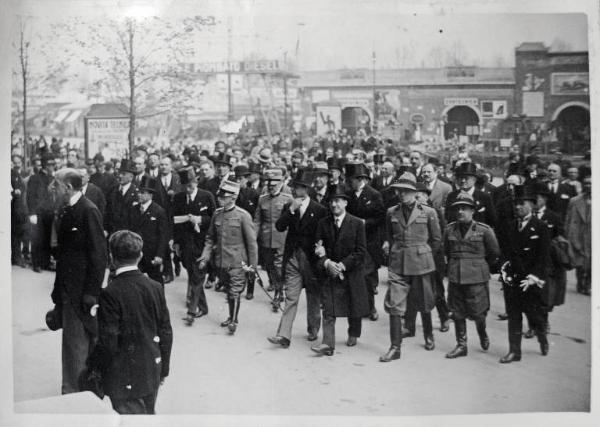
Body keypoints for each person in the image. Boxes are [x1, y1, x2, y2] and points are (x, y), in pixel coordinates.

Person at [85, 230, 172, 414]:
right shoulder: (156, 287)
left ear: (111, 257)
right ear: (140, 256)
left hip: (123, 376)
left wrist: (93, 366)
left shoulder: (110, 292)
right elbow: (166, 332)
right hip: (151, 371)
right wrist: (163, 369)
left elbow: (109, 341)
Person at [49, 168, 107, 393]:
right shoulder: (66, 210)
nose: (53, 188)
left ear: (68, 187)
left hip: (81, 292)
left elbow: (98, 255)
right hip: (68, 290)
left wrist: (91, 292)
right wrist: (57, 293)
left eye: (56, 184)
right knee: (75, 344)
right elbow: (64, 257)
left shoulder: (88, 210)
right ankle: (79, 389)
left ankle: (75, 393)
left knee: (78, 344)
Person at [380, 172, 441, 362]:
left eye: (406, 191)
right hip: (398, 263)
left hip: (422, 264)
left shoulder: (429, 212)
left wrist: (423, 252)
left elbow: (437, 240)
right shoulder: (391, 212)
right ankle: (395, 347)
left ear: (415, 193)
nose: (402, 194)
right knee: (394, 305)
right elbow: (390, 237)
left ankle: (428, 335)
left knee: (424, 302)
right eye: (399, 190)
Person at [267, 169, 328, 348]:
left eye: (300, 188)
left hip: (311, 260)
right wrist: (291, 210)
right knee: (291, 297)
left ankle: (313, 328)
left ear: (307, 189)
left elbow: (323, 234)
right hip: (293, 258)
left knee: (313, 297)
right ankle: (283, 335)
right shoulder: (289, 206)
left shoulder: (319, 209)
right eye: (294, 187)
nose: (295, 190)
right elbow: (279, 226)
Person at [311, 185, 369, 356]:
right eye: (331, 202)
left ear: (345, 202)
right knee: (328, 308)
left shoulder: (357, 223)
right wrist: (327, 262)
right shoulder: (323, 223)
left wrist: (343, 265)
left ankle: (353, 333)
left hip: (351, 271)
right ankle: (328, 344)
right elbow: (317, 248)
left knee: (354, 306)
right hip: (330, 272)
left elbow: (360, 251)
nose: (334, 205)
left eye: (337, 201)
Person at [443, 193, 500, 358]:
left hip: (476, 277)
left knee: (478, 311)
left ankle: (482, 333)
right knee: (456, 311)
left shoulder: (484, 230)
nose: (460, 211)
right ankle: (461, 345)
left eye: (465, 208)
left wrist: (480, 265)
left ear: (473, 211)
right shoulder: (449, 229)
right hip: (455, 275)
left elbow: (494, 252)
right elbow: (446, 250)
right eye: (458, 208)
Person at [499, 185, 551, 363]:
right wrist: (504, 271)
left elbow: (543, 258)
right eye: (516, 204)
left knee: (534, 316)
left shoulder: (541, 227)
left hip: (530, 281)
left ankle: (542, 336)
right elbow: (505, 252)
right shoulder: (510, 225)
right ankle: (515, 351)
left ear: (531, 205)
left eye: (522, 203)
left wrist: (533, 278)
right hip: (513, 280)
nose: (517, 207)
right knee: (514, 316)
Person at [199, 180, 258, 334]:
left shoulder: (243, 216)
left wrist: (253, 267)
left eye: (223, 197)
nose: (220, 199)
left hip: (238, 262)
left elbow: (252, 244)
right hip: (221, 261)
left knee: (235, 291)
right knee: (228, 291)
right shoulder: (217, 214)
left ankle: (233, 321)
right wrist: (205, 257)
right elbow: (210, 238)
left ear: (233, 198)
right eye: (220, 197)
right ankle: (233, 316)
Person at [173, 168, 215, 326]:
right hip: (185, 244)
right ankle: (203, 307)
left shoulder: (206, 196)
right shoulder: (178, 198)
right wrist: (176, 242)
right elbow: (174, 222)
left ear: (196, 181)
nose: (188, 188)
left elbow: (214, 218)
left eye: (190, 184)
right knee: (193, 274)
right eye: (185, 185)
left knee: (197, 275)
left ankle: (192, 311)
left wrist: (200, 219)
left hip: (202, 243)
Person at [345, 162, 386, 320]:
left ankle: (371, 307)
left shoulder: (374, 194)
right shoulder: (348, 195)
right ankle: (357, 307)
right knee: (354, 275)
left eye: (352, 180)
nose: (350, 182)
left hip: (369, 242)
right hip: (353, 242)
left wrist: (364, 223)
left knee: (368, 277)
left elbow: (380, 217)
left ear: (360, 179)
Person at [253, 169, 293, 308]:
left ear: (281, 183)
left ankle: (278, 292)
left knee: (278, 265)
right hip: (265, 237)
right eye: (269, 184)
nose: (271, 187)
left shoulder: (287, 199)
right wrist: (253, 236)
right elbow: (257, 220)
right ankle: (276, 285)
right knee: (268, 265)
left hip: (281, 237)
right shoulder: (262, 199)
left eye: (275, 184)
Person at [127, 176, 170, 285]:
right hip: (136, 253)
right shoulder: (134, 209)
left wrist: (159, 255)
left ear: (150, 195)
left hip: (151, 254)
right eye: (139, 192)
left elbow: (163, 235)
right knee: (134, 281)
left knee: (157, 282)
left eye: (143, 193)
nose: (139, 195)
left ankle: (159, 301)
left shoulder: (158, 211)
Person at [27, 153, 56, 272]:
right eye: (50, 164)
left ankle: (45, 262)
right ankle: (36, 263)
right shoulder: (35, 178)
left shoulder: (52, 178)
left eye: (53, 164)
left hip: (49, 212)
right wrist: (32, 213)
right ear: (44, 165)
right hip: (38, 213)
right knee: (38, 239)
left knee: (47, 238)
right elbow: (31, 197)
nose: (52, 166)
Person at [445, 162, 496, 228]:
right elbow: (448, 218)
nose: (463, 181)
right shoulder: (452, 196)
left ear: (474, 180)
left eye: (466, 178)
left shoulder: (484, 197)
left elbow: (492, 220)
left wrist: (473, 202)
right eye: (460, 178)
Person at [566, 174, 591, 295]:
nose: (588, 185)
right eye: (586, 183)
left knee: (593, 264)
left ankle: (588, 285)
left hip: (592, 236)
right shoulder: (575, 201)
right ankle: (580, 281)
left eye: (591, 183)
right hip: (578, 236)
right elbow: (568, 219)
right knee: (580, 263)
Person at [105, 159, 139, 234]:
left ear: (131, 177)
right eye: (119, 173)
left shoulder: (136, 194)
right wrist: (106, 229)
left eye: (123, 174)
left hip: (128, 233)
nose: (120, 176)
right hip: (112, 232)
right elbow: (107, 211)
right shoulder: (112, 190)